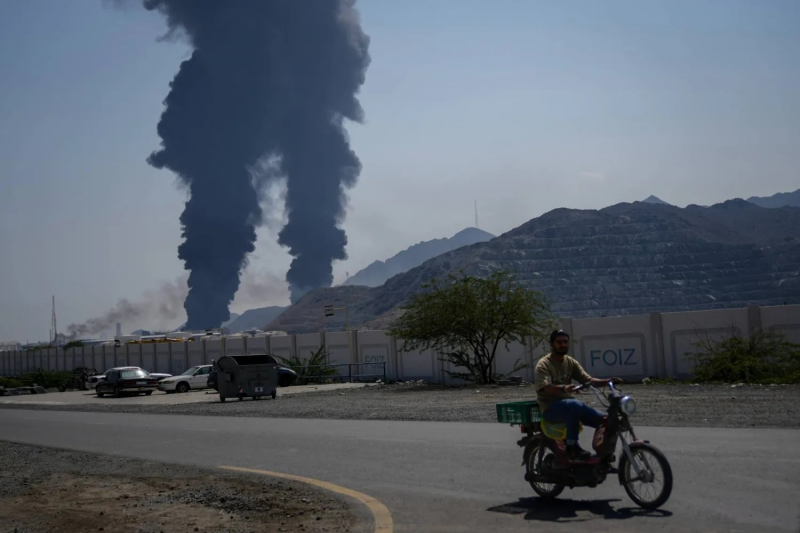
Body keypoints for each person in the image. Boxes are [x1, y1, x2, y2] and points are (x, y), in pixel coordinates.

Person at [534, 329, 622, 459]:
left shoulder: (570, 362)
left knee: (606, 420)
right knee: (575, 404)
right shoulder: (544, 364)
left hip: (570, 407)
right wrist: (564, 388)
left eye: (565, 342)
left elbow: (588, 380)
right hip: (551, 408)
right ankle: (572, 447)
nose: (563, 345)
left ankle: (603, 452)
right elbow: (545, 388)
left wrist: (608, 381)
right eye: (559, 342)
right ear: (552, 344)